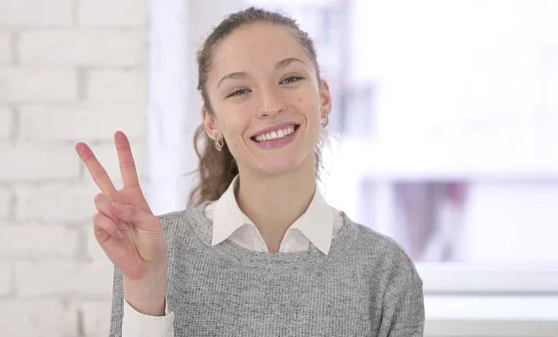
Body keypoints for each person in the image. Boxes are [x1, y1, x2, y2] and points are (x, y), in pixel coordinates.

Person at [75, 6, 424, 337]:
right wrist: (147, 288)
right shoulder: (154, 250)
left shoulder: (385, 271)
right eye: (240, 90)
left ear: (325, 98)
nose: (271, 106)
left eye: (289, 78)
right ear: (212, 123)